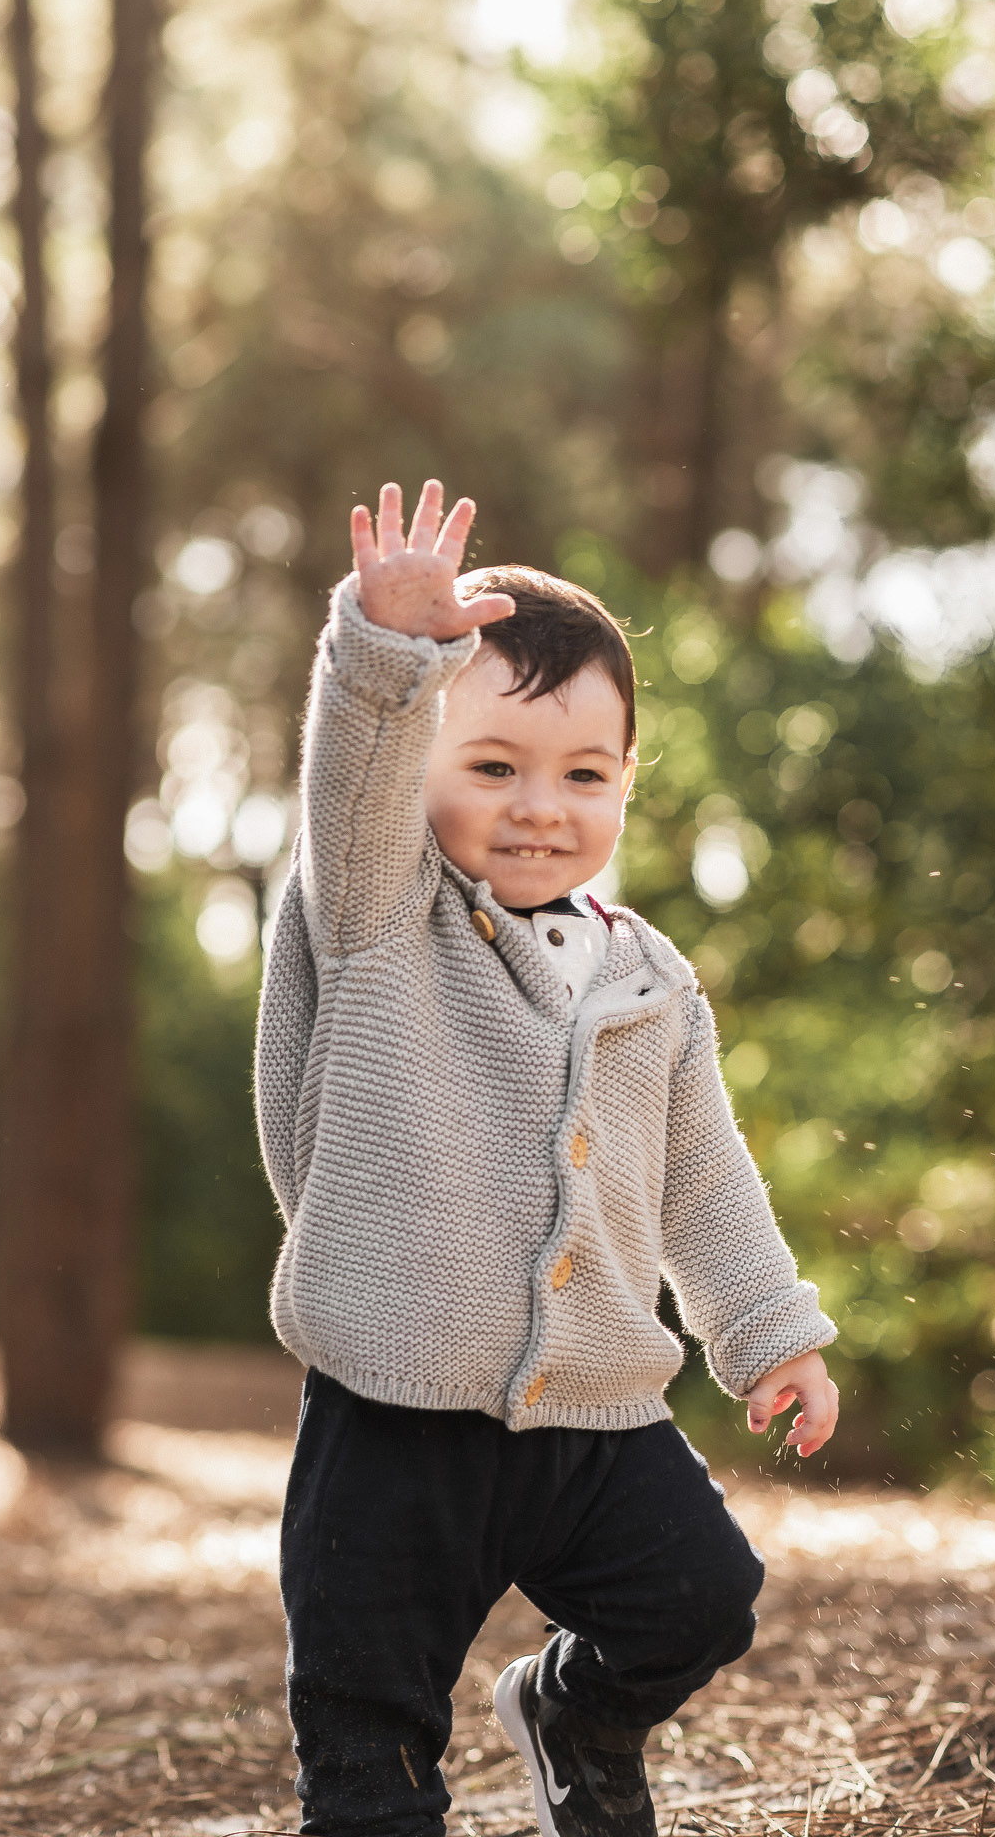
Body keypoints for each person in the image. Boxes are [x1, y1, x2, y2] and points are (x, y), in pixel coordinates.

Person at [254, 479, 838, 1837]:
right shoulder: (378, 912)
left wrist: (767, 1334)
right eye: (495, 765)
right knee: (372, 1742)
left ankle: (573, 1711)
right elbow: (352, 777)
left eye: (584, 776)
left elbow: (705, 1179)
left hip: (598, 1417)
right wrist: (391, 656)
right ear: (427, 772)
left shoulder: (651, 979)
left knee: (700, 1602)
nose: (540, 807)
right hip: (394, 1420)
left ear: (629, 782)